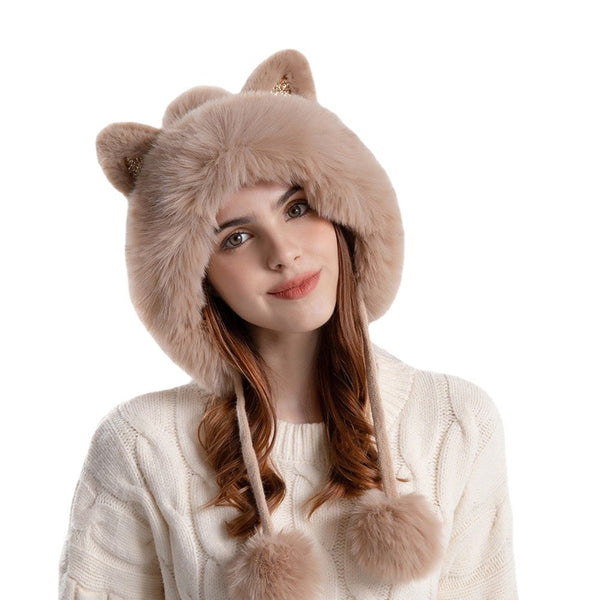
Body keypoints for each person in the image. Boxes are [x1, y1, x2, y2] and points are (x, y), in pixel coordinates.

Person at [59, 50, 518, 600]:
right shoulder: (141, 444)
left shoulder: (454, 422)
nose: (283, 253)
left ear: (344, 215)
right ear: (197, 279)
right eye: (235, 237)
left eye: (297, 209)